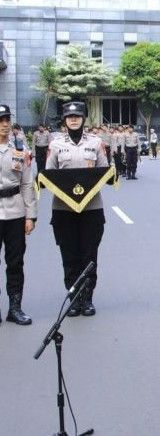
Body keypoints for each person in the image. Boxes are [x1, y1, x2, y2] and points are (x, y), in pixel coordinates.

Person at [46, 101, 109, 317]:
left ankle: (88, 299)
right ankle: (73, 298)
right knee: (69, 254)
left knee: (89, 254)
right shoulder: (55, 145)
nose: (73, 120)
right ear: (64, 120)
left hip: (91, 209)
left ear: (84, 119)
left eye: (77, 116)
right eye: (69, 117)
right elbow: (49, 174)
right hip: (63, 210)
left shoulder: (96, 143)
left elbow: (105, 171)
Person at [0, 104, 37, 326]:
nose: (4, 124)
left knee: (15, 263)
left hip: (15, 212)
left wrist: (30, 216)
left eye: (7, 120)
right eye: (0, 121)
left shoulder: (20, 151)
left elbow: (27, 184)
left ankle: (15, 308)